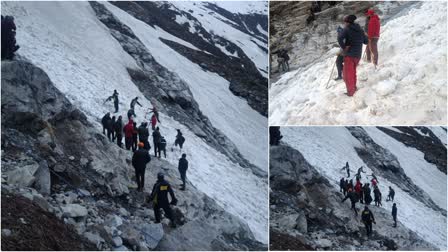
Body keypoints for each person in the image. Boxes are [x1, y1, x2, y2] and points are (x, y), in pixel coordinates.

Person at [338, 15, 368, 96]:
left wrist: (344, 47)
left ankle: (351, 92)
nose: (344, 23)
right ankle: (353, 88)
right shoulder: (360, 29)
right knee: (353, 72)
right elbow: (366, 41)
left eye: (345, 22)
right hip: (357, 55)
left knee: (347, 75)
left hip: (350, 55)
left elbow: (339, 38)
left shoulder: (347, 29)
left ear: (347, 22)